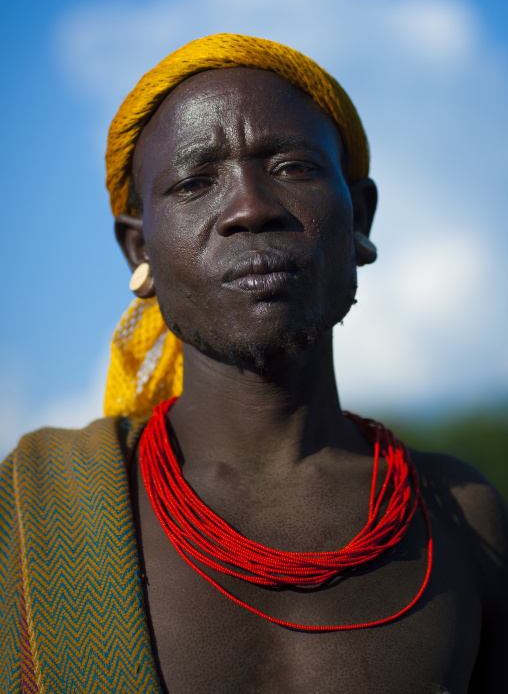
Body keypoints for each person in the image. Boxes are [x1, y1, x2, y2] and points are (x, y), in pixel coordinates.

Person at [1, 34, 507, 694]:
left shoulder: (465, 519)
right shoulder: (35, 512)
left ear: (361, 218)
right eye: (193, 182)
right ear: (138, 251)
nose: (250, 207)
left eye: (294, 168)